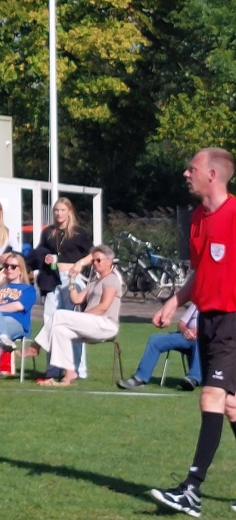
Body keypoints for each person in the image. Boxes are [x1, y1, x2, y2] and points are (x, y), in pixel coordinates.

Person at [150, 148, 236, 516]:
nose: (186, 174)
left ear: (212, 175)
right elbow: (200, 273)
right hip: (210, 320)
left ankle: (191, 489)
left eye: (192, 168)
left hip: (233, 320)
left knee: (211, 397)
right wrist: (174, 302)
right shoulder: (199, 217)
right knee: (230, 404)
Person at [32, 245, 122, 387]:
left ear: (109, 262)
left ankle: (36, 345)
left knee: (59, 314)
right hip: (92, 323)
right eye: (93, 261)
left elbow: (104, 306)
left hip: (106, 324)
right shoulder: (94, 282)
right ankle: (69, 373)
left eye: (99, 260)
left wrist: (83, 316)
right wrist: (72, 281)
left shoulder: (111, 279)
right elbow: (76, 299)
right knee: (59, 330)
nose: (95, 263)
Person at [0, 256, 36, 385]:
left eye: (13, 266)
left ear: (21, 270)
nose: (9, 269)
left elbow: (18, 306)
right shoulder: (0, 287)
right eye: (6, 266)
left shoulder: (28, 289)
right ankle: (3, 338)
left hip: (16, 322)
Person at [118, 302, 201, 391]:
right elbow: (181, 323)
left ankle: (192, 379)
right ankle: (140, 378)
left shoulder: (213, 306)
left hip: (205, 340)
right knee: (155, 340)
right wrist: (186, 331)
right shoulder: (197, 303)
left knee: (201, 342)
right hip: (186, 337)